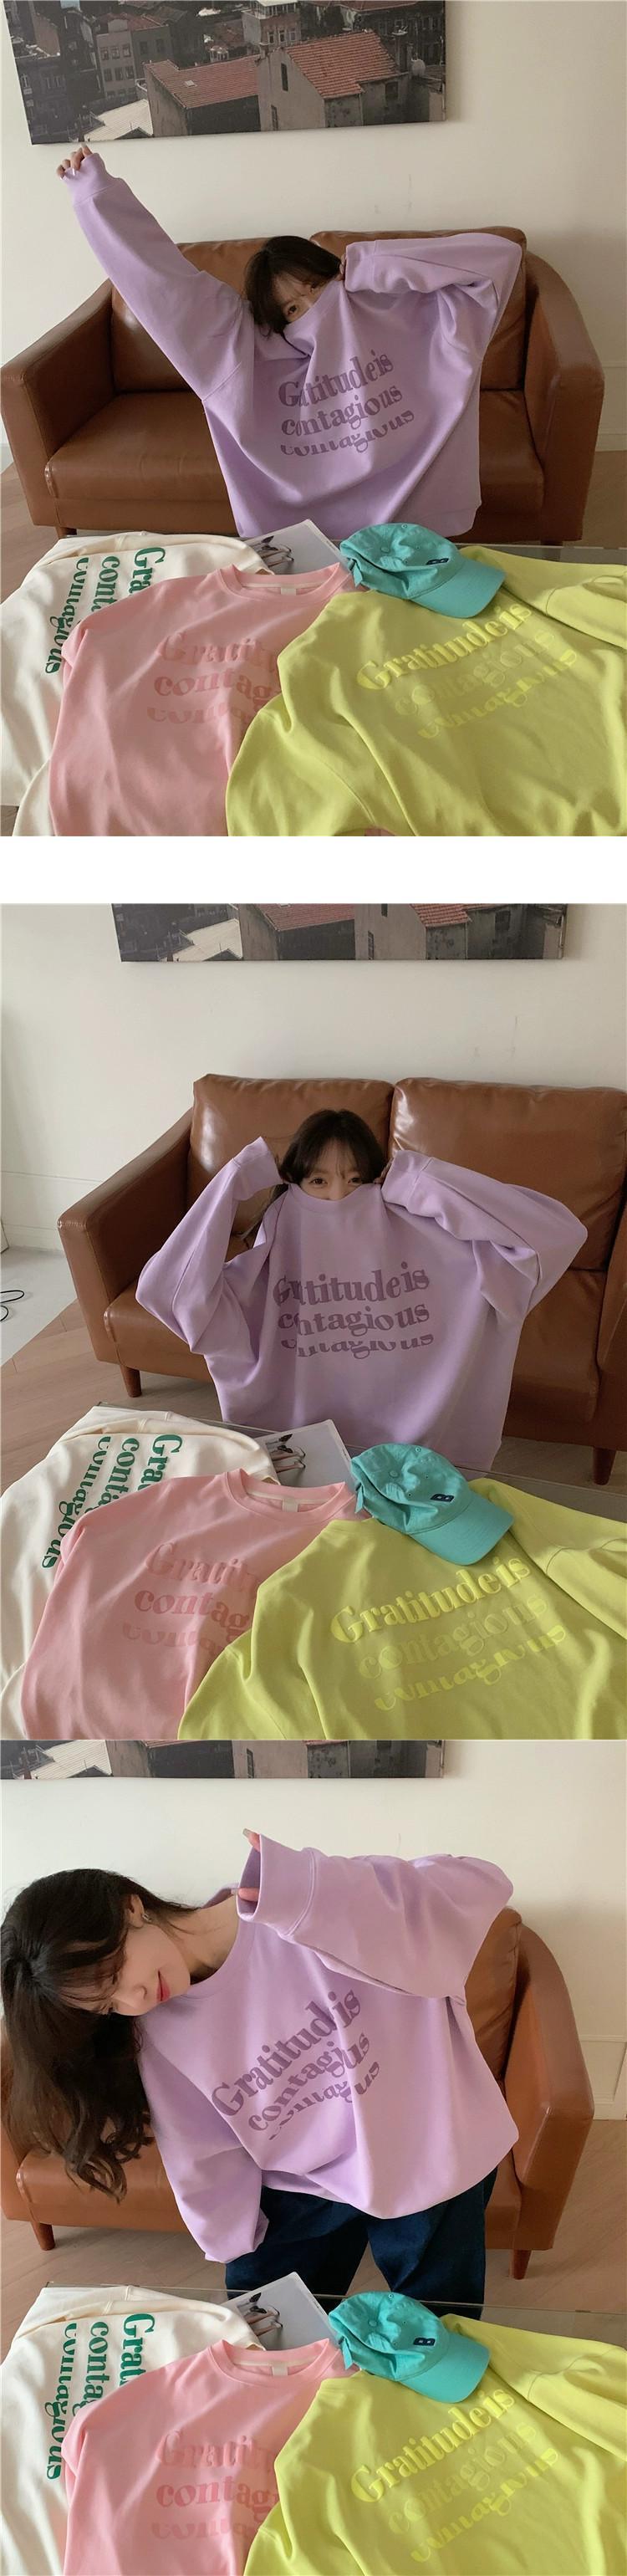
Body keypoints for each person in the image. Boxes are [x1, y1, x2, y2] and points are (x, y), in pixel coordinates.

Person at [1, 1832, 516, 2313]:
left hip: (430, 2150)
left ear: (128, 1908)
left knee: (442, 2328)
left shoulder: (300, 1910)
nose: (131, 2001)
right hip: (300, 2185)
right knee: (273, 2333)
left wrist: (313, 1891)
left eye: (112, 1975)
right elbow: (198, 2140)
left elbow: (479, 1884)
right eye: (107, 2005)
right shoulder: (154, 2027)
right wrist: (229, 2235)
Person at [57, 146, 522, 544]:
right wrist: (96, 196)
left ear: (337, 275)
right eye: (293, 310)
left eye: (316, 286)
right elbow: (164, 285)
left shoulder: (405, 314)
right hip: (308, 540)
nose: (314, 309)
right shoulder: (243, 352)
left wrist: (370, 266)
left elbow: (498, 258)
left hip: (421, 523)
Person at [136, 1107, 586, 1465]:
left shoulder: (428, 1243)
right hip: (303, 1461)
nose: (339, 1197)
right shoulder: (262, 1271)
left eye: (356, 1180)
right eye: (318, 1181)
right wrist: (236, 1179)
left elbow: (554, 1235)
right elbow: (166, 1290)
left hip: (417, 1460)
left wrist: (418, 1181)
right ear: (292, 1183)